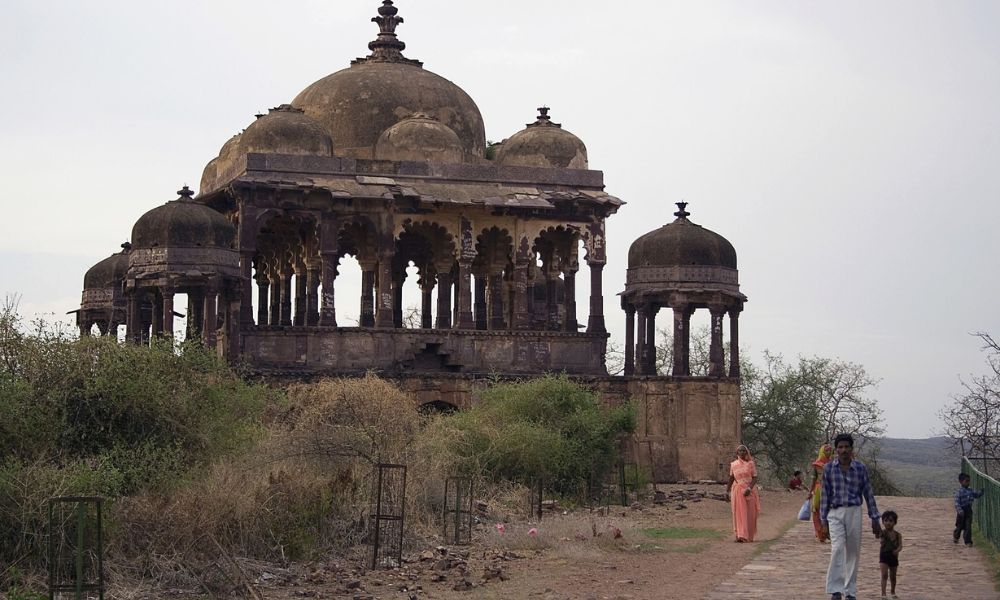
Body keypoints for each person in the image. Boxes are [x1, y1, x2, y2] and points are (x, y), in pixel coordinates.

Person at [820, 433, 882, 600]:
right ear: (836, 450)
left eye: (847, 447)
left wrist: (875, 518)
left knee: (853, 552)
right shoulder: (829, 469)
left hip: (854, 511)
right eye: (840, 447)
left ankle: (850, 591)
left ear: (851, 449)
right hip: (835, 512)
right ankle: (835, 590)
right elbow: (825, 495)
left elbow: (868, 493)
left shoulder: (860, 468)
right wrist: (823, 521)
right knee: (837, 548)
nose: (844, 450)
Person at [727, 444, 761, 542]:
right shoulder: (733, 464)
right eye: (740, 451)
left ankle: (748, 535)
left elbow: (754, 477)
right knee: (738, 513)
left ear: (747, 452)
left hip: (749, 491)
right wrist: (727, 491)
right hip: (737, 491)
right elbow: (731, 478)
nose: (742, 452)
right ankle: (740, 535)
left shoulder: (750, 464)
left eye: (743, 451)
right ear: (737, 453)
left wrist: (749, 489)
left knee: (750, 514)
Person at [809, 443, 835, 541]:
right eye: (826, 450)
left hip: (830, 489)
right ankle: (820, 533)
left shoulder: (834, 464)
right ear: (822, 452)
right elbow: (813, 479)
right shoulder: (817, 464)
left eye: (830, 450)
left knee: (829, 510)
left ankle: (828, 532)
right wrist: (810, 492)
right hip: (818, 490)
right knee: (817, 511)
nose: (828, 452)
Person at [954, 472, 984, 546]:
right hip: (961, 511)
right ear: (961, 482)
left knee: (968, 526)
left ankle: (968, 542)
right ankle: (956, 536)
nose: (968, 483)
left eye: (968, 481)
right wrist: (960, 510)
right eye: (966, 481)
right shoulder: (959, 492)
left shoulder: (970, 490)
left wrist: (981, 492)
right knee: (959, 526)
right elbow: (957, 503)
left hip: (968, 510)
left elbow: (976, 495)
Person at [878, 510, 902, 600]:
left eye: (890, 521)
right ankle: (883, 593)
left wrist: (897, 550)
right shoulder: (883, 533)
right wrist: (881, 539)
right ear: (883, 521)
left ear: (895, 522)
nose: (888, 523)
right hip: (884, 555)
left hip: (894, 556)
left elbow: (900, 545)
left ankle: (893, 591)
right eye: (886, 520)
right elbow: (881, 541)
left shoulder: (898, 535)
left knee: (893, 576)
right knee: (884, 575)